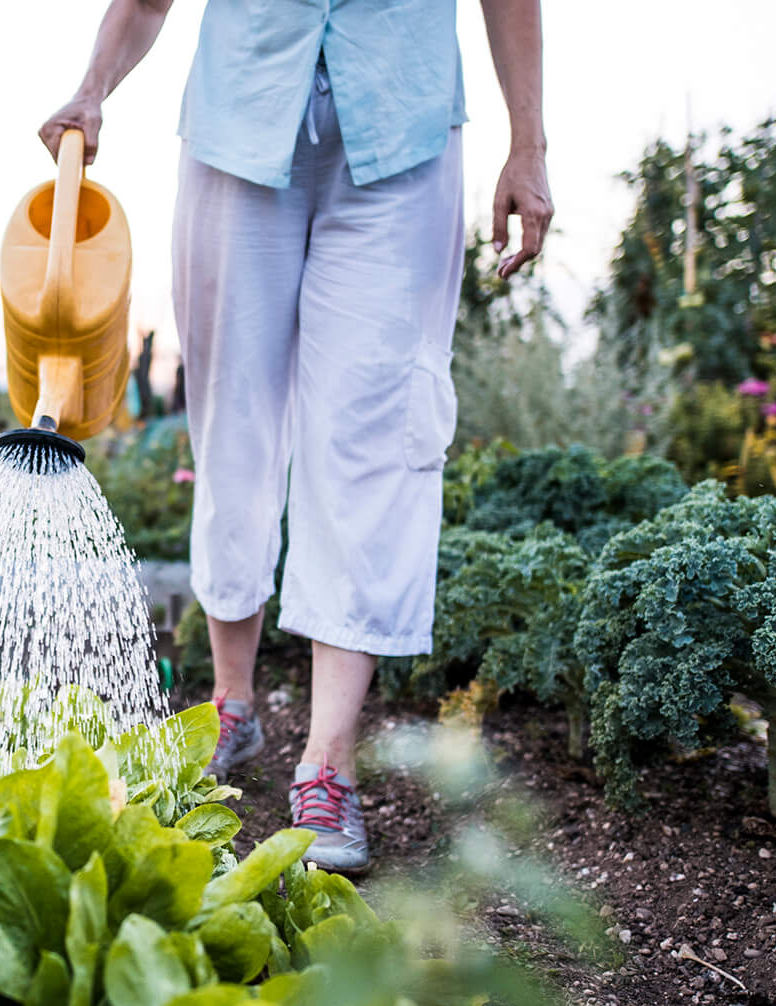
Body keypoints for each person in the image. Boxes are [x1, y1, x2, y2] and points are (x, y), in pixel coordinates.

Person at [40, 0, 549, 873]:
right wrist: (94, 87)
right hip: (241, 123)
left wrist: (528, 143)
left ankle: (327, 763)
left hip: (402, 131)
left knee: (373, 436)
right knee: (231, 422)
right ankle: (231, 703)